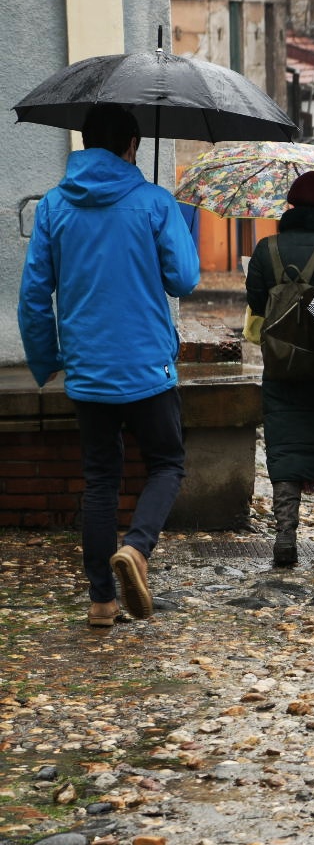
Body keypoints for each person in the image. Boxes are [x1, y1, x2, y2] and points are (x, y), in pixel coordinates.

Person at [16, 103, 201, 627]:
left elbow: (34, 295)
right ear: (132, 147)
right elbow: (184, 281)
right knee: (167, 463)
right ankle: (137, 549)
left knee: (100, 480)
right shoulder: (153, 202)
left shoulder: (53, 207)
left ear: (84, 145)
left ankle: (101, 601)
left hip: (88, 372)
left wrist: (46, 358)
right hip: (148, 369)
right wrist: (173, 218)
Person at [244, 171, 314, 567]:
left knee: (286, 449)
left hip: (282, 367)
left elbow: (258, 307)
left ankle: (284, 537)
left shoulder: (266, 249)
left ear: (290, 205)